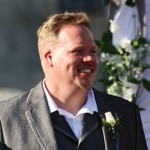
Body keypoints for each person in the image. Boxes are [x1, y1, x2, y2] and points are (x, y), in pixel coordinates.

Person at [0, 12, 147, 150]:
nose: (90, 59)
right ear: (49, 57)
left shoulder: (126, 113)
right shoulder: (6, 118)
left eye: (93, 51)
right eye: (78, 51)